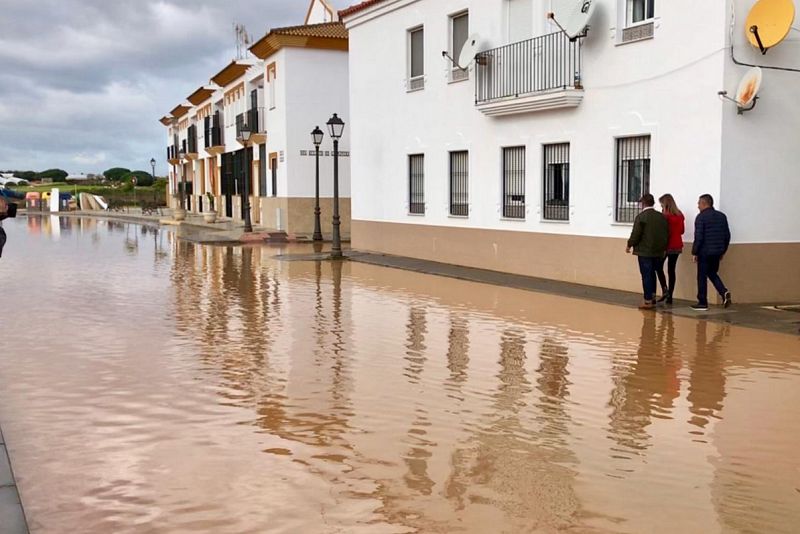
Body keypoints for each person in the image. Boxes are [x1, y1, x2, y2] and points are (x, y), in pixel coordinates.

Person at [626, 193, 669, 309]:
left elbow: (636, 234)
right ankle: (653, 297)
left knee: (646, 275)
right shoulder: (661, 217)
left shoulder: (641, 217)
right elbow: (666, 233)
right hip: (658, 251)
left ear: (643, 203)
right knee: (653, 273)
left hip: (645, 251)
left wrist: (629, 244)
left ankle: (648, 300)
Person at [691, 194, 731, 311]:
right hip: (717, 251)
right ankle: (723, 292)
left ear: (704, 204)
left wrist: (695, 252)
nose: (698, 206)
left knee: (701, 276)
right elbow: (727, 235)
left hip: (704, 252)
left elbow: (699, 237)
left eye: (699, 203)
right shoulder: (722, 216)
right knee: (712, 273)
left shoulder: (701, 217)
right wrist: (723, 251)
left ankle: (702, 302)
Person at [654, 194, 685, 304]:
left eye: (661, 204)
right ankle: (670, 296)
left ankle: (665, 290)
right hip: (677, 245)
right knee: (671, 270)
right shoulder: (680, 215)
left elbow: (662, 232)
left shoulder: (664, 216)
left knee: (658, 267)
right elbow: (682, 231)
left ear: (665, 203)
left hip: (666, 245)